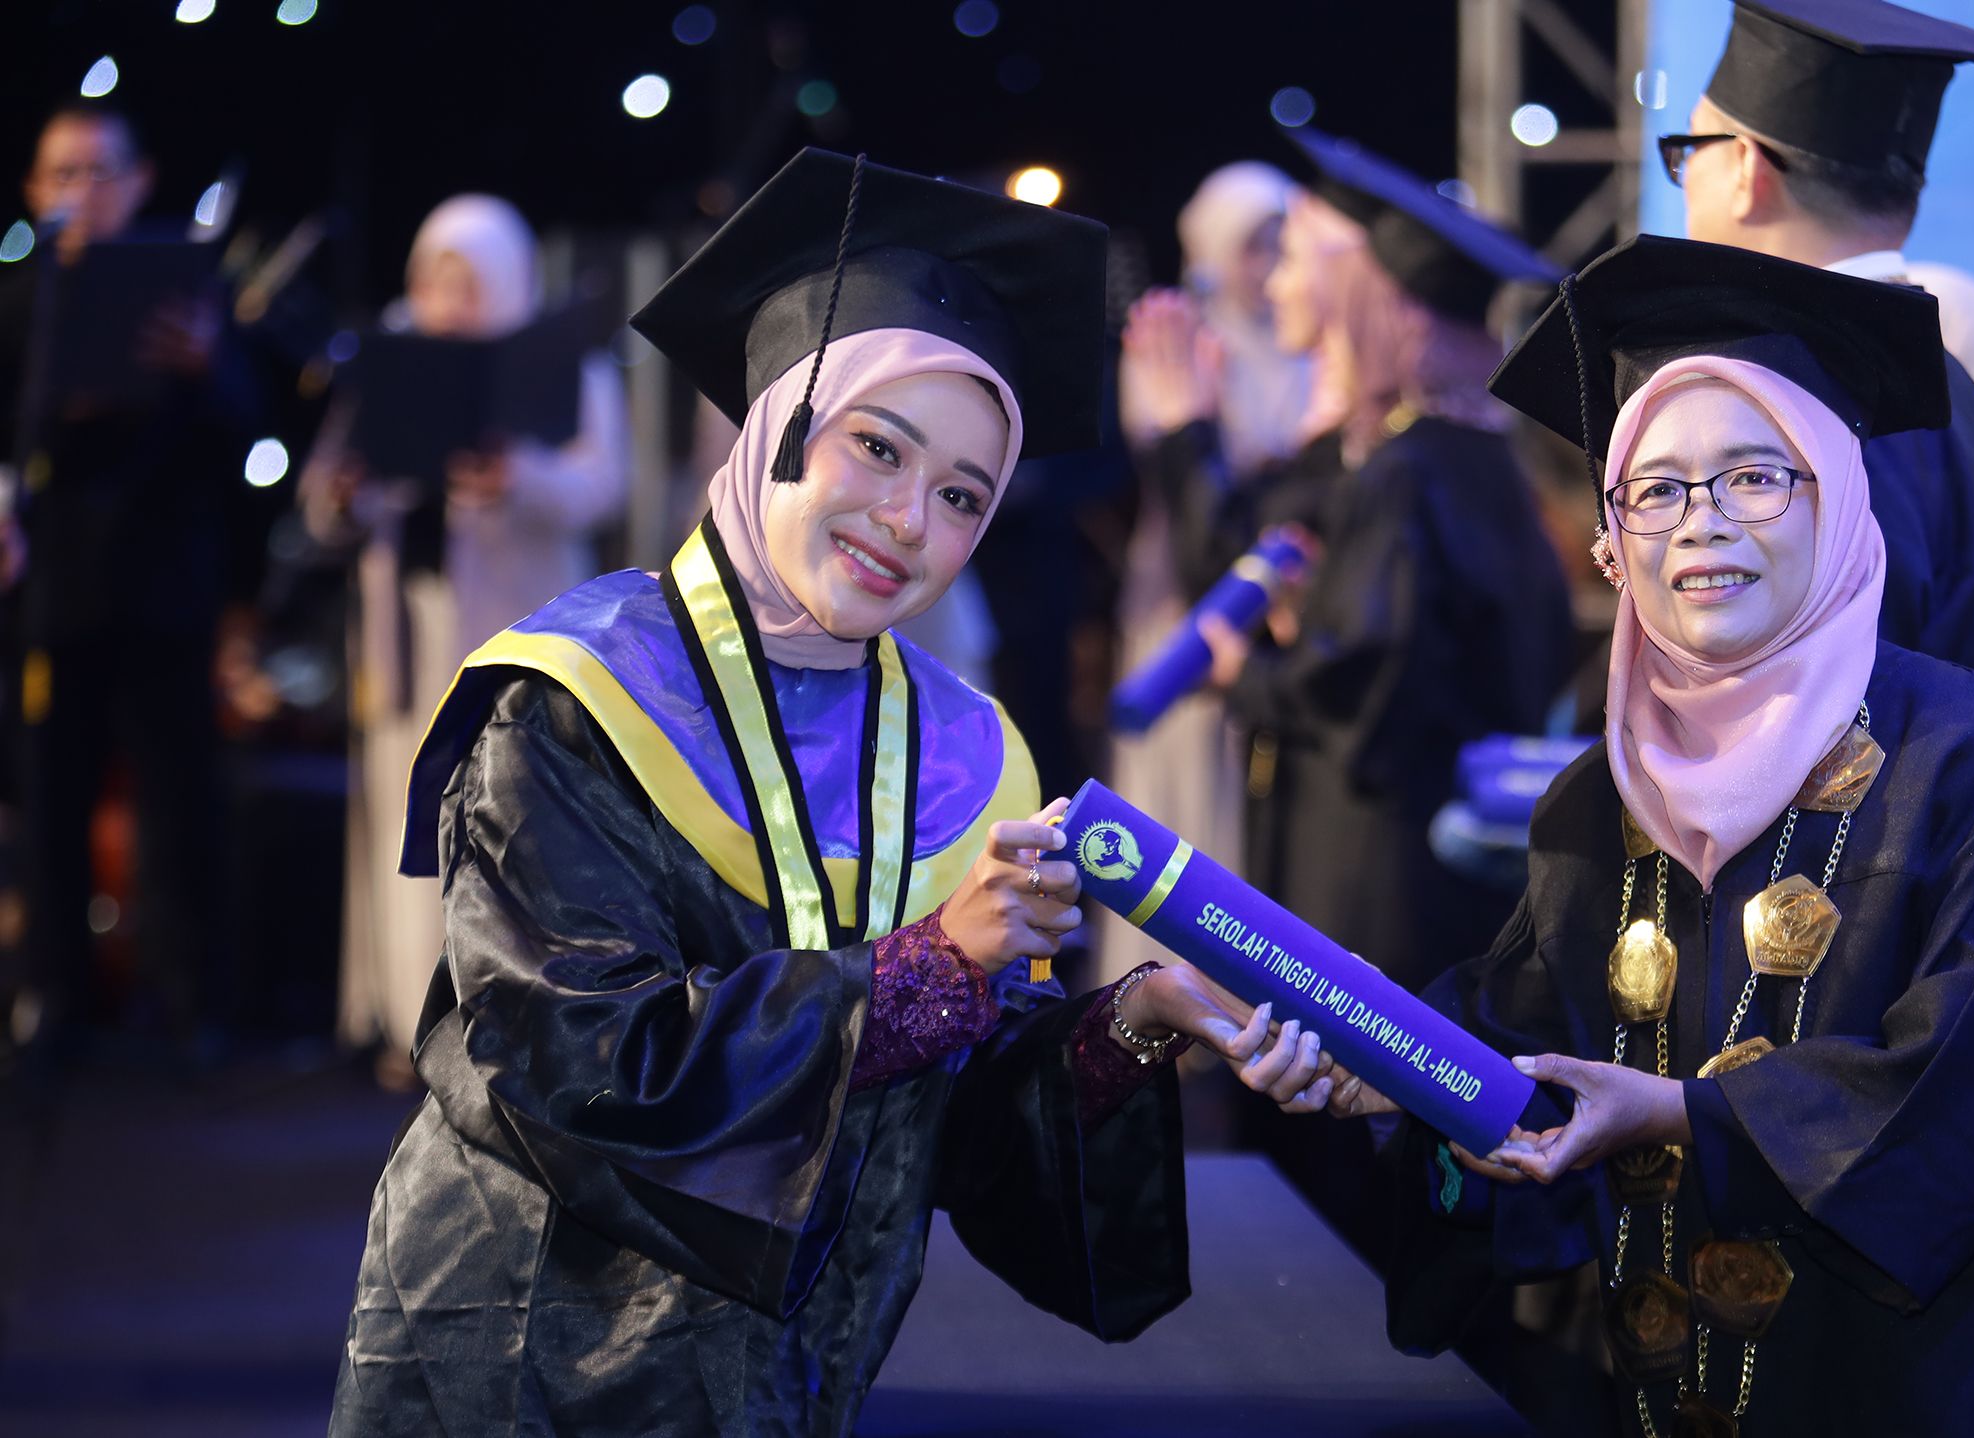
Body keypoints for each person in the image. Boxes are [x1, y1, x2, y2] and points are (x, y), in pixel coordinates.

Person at [327, 150, 1332, 1435]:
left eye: (962, 494)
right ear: (782, 425)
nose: (909, 519)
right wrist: (926, 963)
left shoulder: (962, 752)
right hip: (532, 1351)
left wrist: (1138, 1017)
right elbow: (583, 1068)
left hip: (790, 1381)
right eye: (876, 446)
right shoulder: (574, 700)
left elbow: (951, 1124)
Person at [1267, 236, 1974, 1435]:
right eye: (1655, 489)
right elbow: (1525, 1054)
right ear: (1612, 543)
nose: (1699, 524)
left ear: (1838, 497)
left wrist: (1684, 1118)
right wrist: (1387, 1072)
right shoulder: (1596, 804)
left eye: (1755, 476)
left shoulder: (1969, 758)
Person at [1201, 126, 1574, 991]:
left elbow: (1364, 683)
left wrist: (1247, 675)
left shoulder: (1404, 471)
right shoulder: (1490, 457)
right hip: (1450, 853)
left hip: (1378, 857)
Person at [1668, 0, 1974, 733]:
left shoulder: (1794, 409)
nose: (1685, 180)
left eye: (1690, 150)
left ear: (1746, 168)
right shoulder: (1958, 392)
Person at [301, 194, 628, 1088]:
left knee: (514, 815)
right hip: (410, 628)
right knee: (410, 815)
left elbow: (603, 485)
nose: (448, 300)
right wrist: (346, 493)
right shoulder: (390, 358)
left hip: (517, 625)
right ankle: (410, 1016)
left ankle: (513, 1020)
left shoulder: (562, 361)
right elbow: (323, 498)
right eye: (435, 279)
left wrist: (517, 475)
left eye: (469, 281)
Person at [0, 101, 259, 1062]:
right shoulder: (21, 303)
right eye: (63, 174)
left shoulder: (187, 292)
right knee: (51, 803)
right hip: (51, 594)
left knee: (179, 803)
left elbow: (248, 436)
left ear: (140, 181)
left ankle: (195, 1007)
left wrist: (203, 367)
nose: (83, 191)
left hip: (165, 590)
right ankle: (58, 1001)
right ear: (35, 191)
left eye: (100, 171)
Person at [1102, 160, 1312, 984]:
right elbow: (1172, 465)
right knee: (1185, 786)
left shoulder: (1302, 345)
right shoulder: (1179, 344)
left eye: (1283, 243)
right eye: (1254, 245)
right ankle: (1165, 990)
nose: (1269, 264)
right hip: (1185, 600)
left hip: (1281, 611)